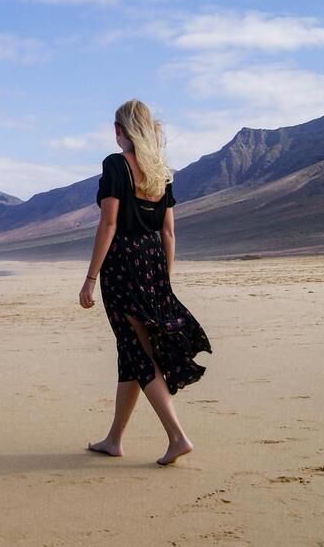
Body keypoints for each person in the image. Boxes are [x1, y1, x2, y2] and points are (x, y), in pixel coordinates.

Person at [78, 99, 212, 466]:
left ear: (123, 130)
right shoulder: (161, 171)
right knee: (132, 351)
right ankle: (114, 439)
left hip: (123, 263)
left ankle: (177, 436)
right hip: (153, 262)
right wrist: (164, 279)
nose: (114, 134)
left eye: (116, 127)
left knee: (138, 352)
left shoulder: (115, 164)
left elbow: (108, 224)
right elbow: (168, 232)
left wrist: (90, 278)